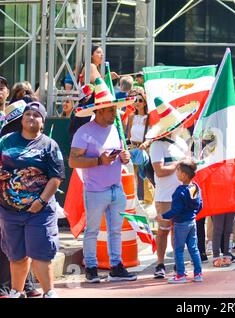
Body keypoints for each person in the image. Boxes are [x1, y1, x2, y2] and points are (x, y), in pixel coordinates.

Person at [69, 78, 137, 283]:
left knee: (115, 231)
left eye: (114, 109)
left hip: (116, 188)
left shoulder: (115, 128)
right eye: (110, 110)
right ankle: (91, 267)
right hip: (96, 191)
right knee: (92, 231)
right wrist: (99, 160)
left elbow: (120, 156)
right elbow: (73, 161)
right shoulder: (83, 132)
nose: (114, 113)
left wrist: (125, 157)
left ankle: (116, 266)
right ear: (98, 111)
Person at [0, 102, 65, 298]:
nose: (31, 117)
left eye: (36, 115)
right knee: (16, 256)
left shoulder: (49, 145)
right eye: (28, 114)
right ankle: (16, 292)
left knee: (40, 255)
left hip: (39, 212)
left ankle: (48, 293)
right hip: (9, 211)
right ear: (21, 119)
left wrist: (41, 202)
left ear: (43, 122)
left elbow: (56, 177)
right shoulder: (5, 141)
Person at [147, 97, 195, 279]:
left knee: (179, 230)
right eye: (178, 123)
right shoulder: (157, 145)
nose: (182, 126)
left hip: (182, 194)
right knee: (163, 231)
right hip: (165, 196)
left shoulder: (182, 143)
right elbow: (159, 171)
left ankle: (178, 262)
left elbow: (187, 166)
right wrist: (180, 163)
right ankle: (160, 264)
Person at [0, 100, 42, 298]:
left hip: (30, 202)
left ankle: (27, 284)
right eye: (20, 121)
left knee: (29, 243)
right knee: (8, 244)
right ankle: (5, 286)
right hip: (6, 202)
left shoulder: (37, 141)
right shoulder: (5, 142)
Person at [156, 159, 203, 283]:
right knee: (193, 248)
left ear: (184, 175)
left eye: (178, 171)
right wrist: (193, 215)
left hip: (181, 223)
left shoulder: (179, 191)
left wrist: (163, 216)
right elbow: (200, 205)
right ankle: (198, 273)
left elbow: (175, 210)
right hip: (192, 222)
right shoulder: (195, 187)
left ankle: (180, 275)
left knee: (178, 249)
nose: (176, 173)